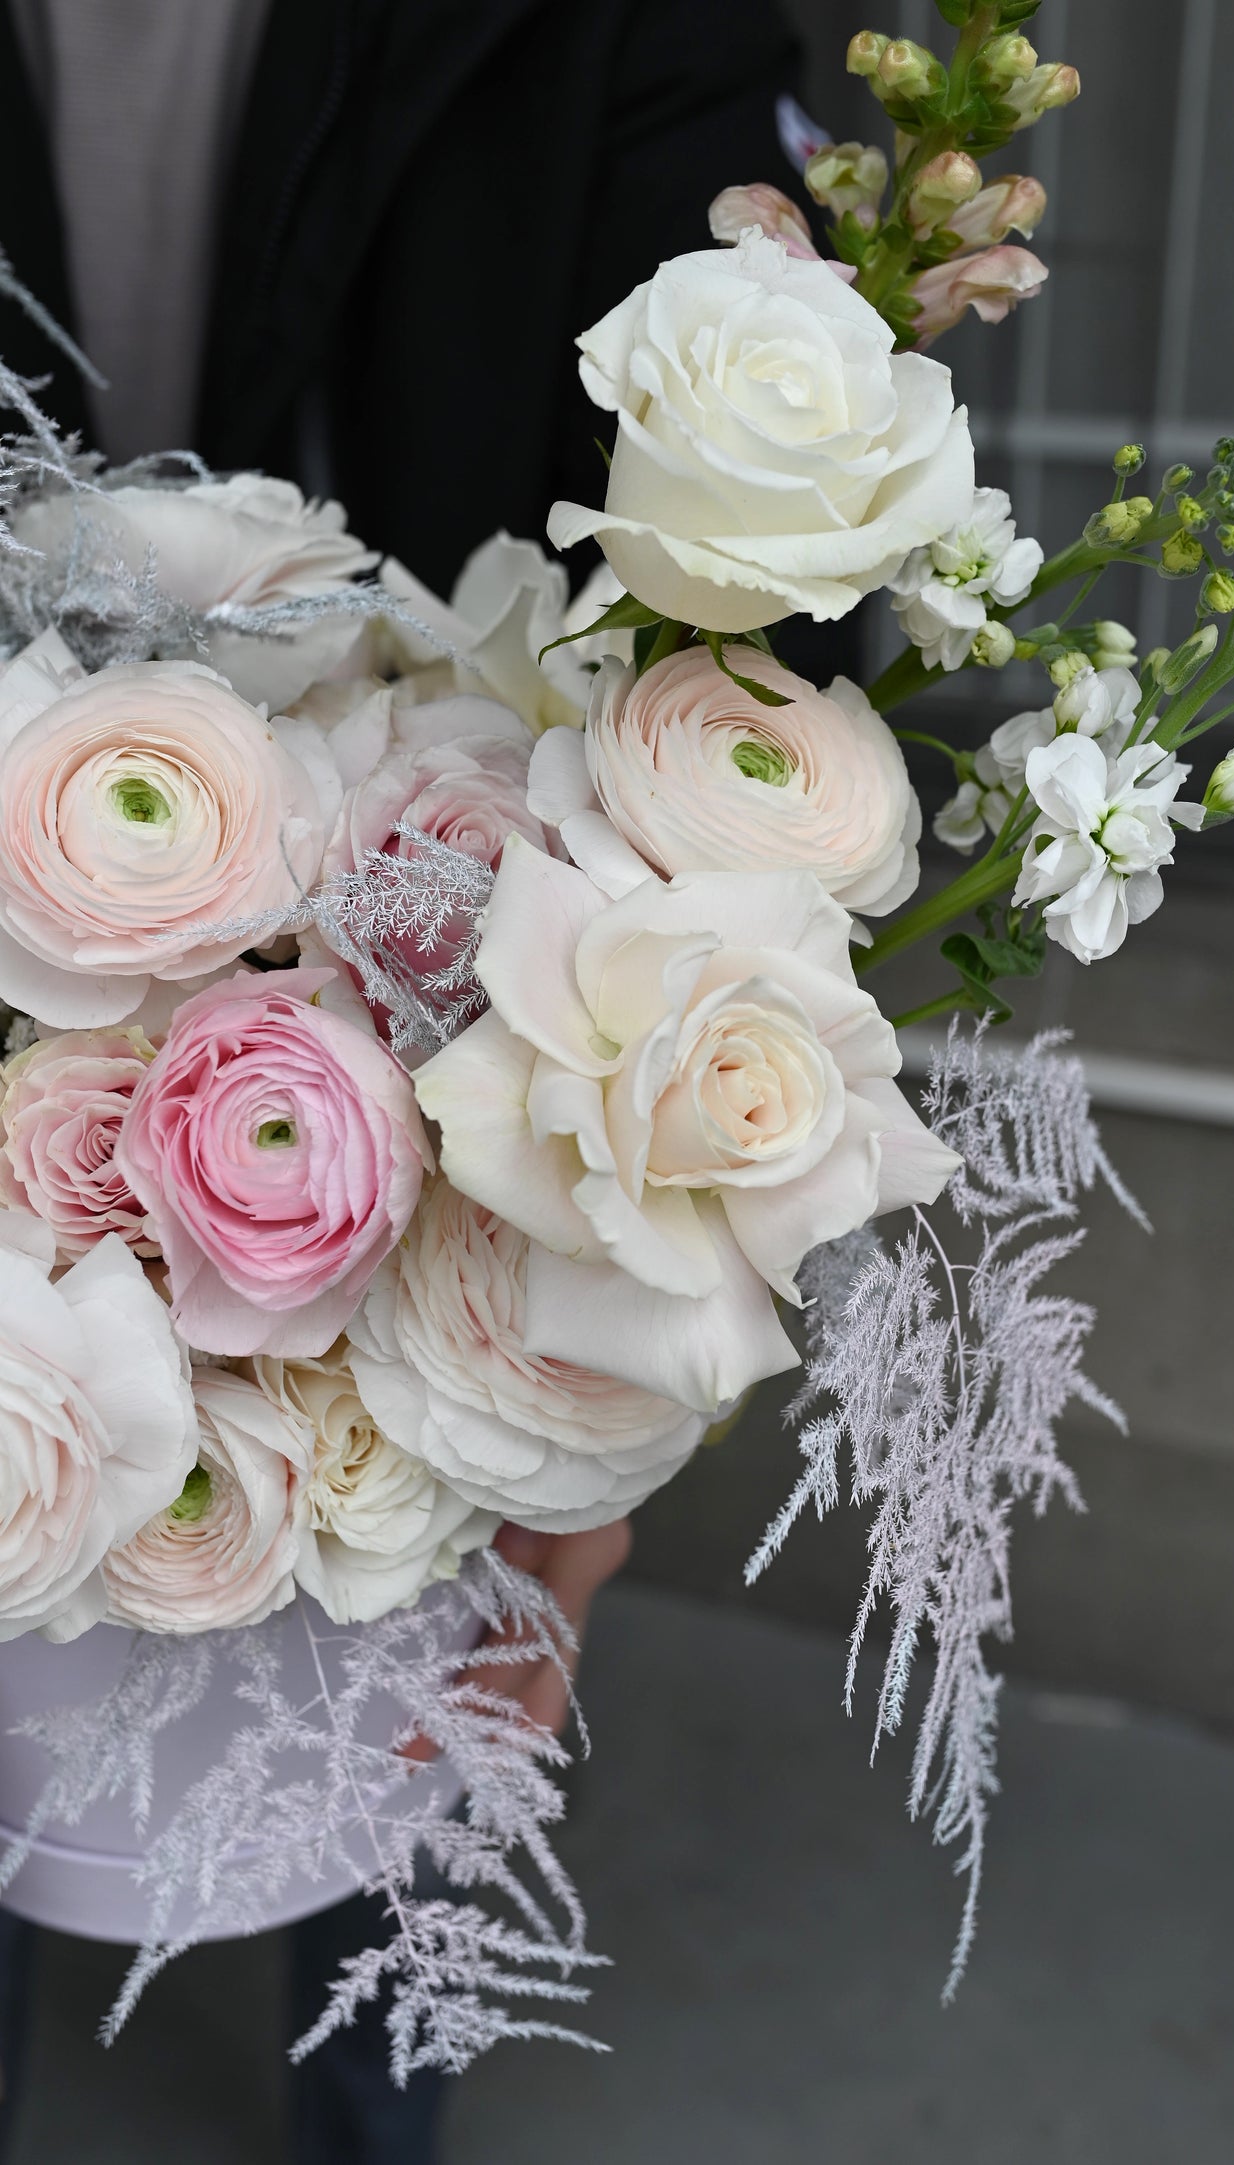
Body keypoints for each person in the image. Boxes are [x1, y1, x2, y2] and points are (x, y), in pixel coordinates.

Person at [0, 2, 803, 2158]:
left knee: (424, 1643)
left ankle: (376, 2111)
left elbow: (757, 665)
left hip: (451, 987)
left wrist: (604, 1395)